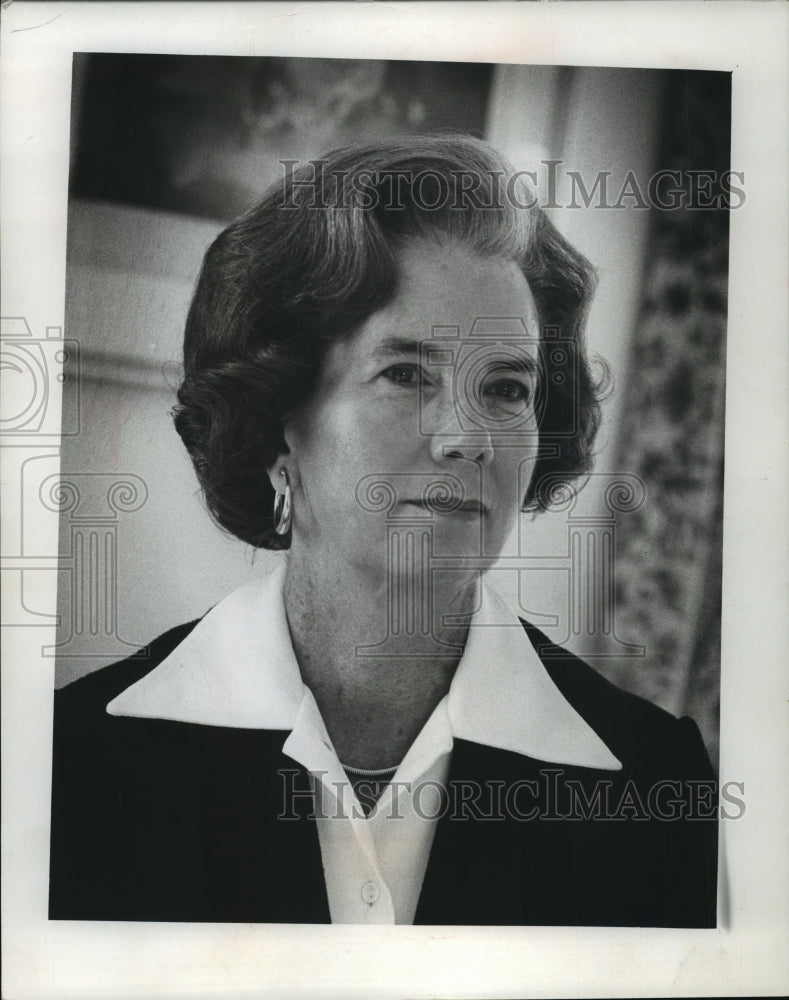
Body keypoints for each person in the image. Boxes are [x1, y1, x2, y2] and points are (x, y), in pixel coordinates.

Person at [49, 133, 717, 926]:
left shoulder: (652, 783)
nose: (468, 435)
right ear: (277, 422)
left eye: (506, 387)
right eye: (406, 374)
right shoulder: (66, 764)